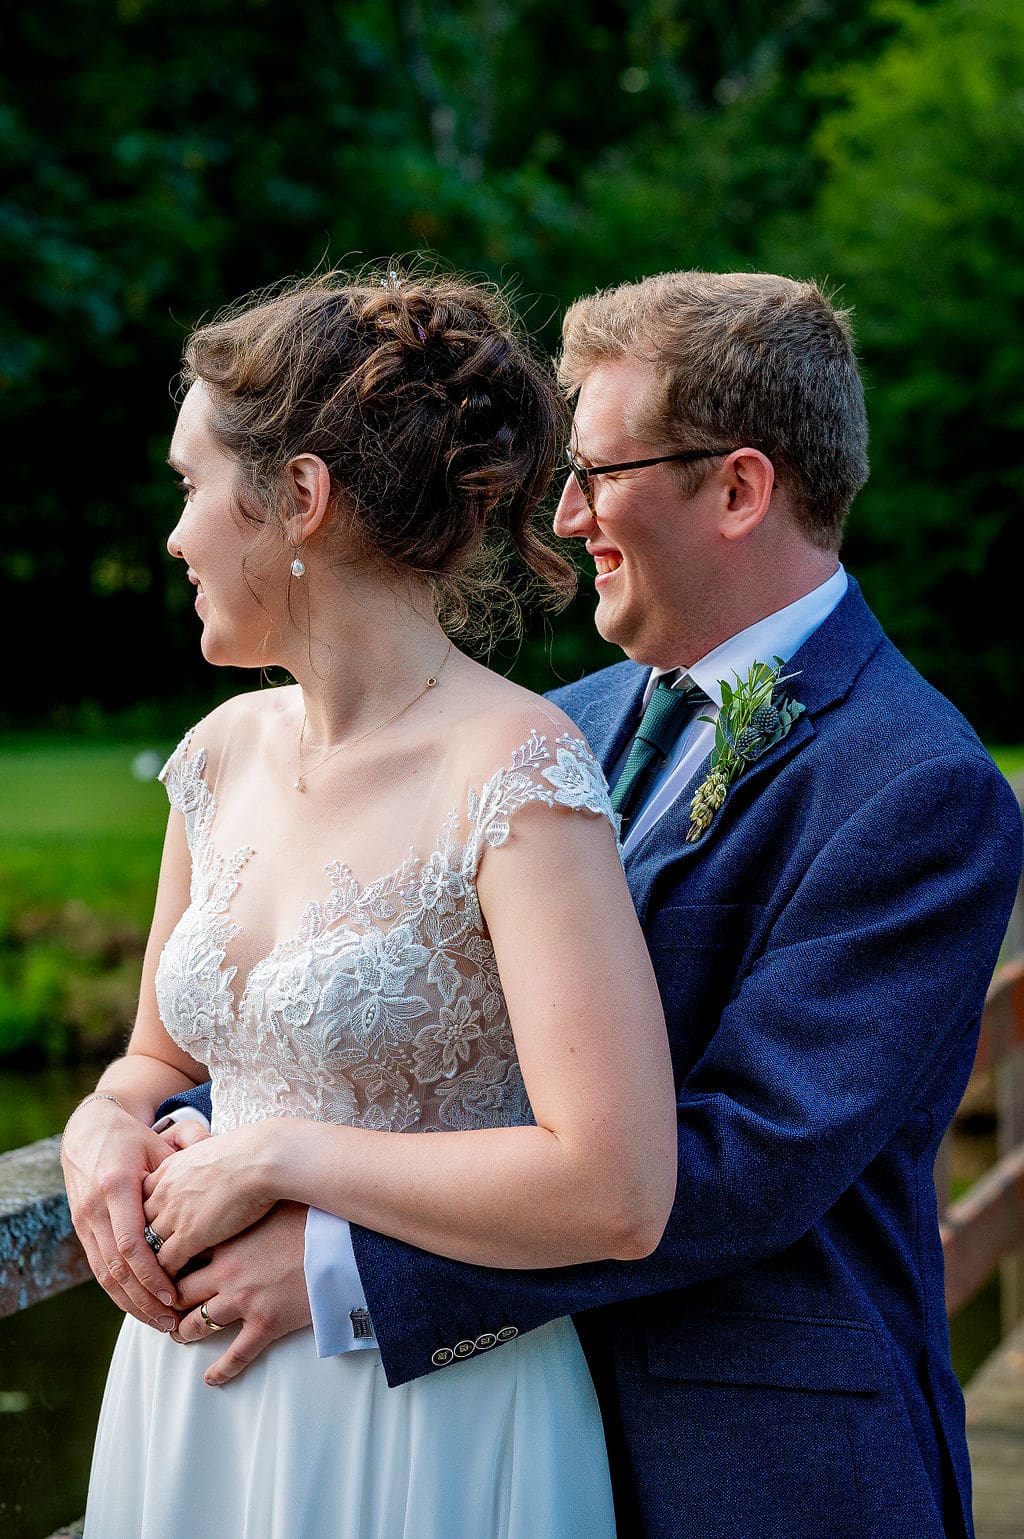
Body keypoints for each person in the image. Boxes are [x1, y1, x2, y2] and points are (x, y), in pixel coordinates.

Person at [152, 270, 1021, 1538]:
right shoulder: (560, 728)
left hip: (749, 1465)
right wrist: (168, 1123)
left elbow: (741, 1159)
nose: (563, 516)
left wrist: (347, 1265)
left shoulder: (919, 790)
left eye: (599, 472)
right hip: (496, 1427)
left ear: (738, 490)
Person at [59, 268, 680, 1539]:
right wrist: (101, 1126)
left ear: (299, 497)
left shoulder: (516, 770)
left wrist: (276, 1155)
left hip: (422, 1419)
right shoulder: (218, 755)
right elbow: (158, 1059)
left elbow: (615, 1187)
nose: (174, 537)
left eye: (190, 487)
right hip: (189, 1399)